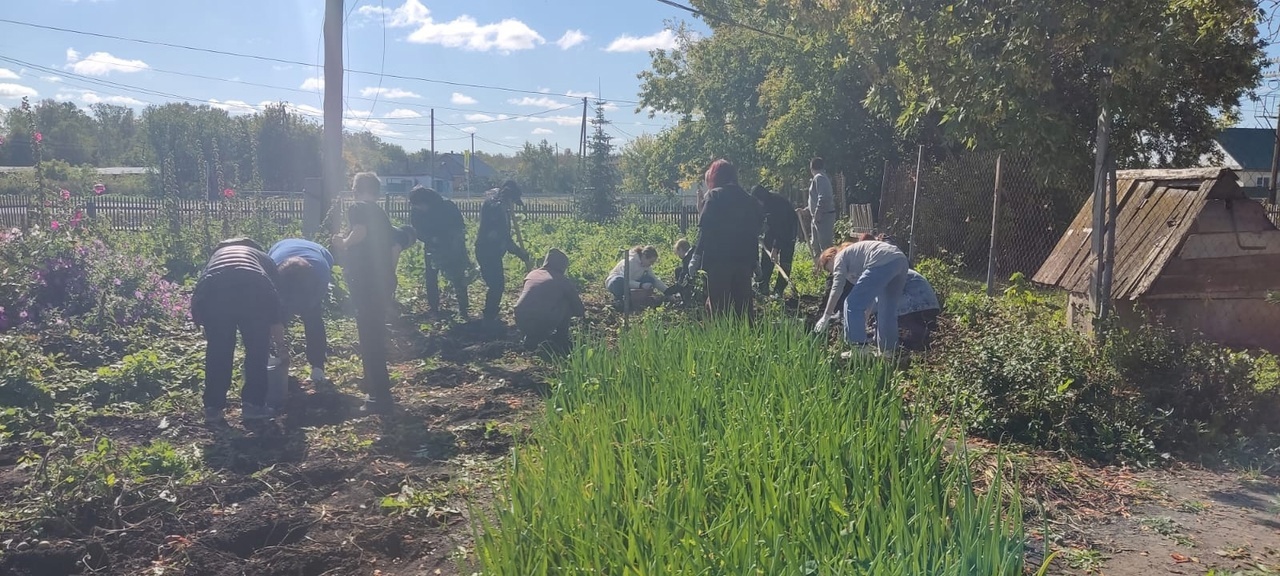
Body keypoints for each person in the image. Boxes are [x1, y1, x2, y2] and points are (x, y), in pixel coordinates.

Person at [191, 237, 289, 425]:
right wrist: (281, 345)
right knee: (257, 349)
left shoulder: (216, 257)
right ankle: (253, 405)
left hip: (214, 290)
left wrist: (210, 329)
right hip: (254, 287)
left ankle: (213, 407)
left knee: (218, 351)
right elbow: (276, 303)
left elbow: (202, 290)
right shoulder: (263, 257)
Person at [332, 172, 395, 414]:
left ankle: (379, 397)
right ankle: (374, 388)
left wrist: (343, 243)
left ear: (355, 189)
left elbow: (360, 232)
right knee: (375, 334)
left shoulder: (357, 207)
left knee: (369, 337)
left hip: (365, 282)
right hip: (382, 280)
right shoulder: (382, 214)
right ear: (377, 191)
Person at [688, 159, 764, 319]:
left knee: (719, 308)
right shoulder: (748, 200)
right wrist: (755, 261)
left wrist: (696, 256)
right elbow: (753, 234)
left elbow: (706, 230)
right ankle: (747, 339)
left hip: (718, 261)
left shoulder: (714, 196)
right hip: (743, 261)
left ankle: (720, 339)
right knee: (743, 307)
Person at [814, 237, 909, 356]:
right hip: (900, 260)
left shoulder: (839, 257)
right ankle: (888, 351)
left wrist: (826, 316)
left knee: (851, 303)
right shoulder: (855, 261)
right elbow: (868, 300)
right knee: (886, 308)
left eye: (829, 269)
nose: (832, 273)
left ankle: (859, 348)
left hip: (881, 261)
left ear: (830, 258)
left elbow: (837, 288)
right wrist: (861, 321)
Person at [267, 238, 333, 385]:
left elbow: (311, 302)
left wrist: (304, 305)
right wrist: (279, 341)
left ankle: (318, 367)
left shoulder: (320, 274)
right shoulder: (273, 272)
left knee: (313, 318)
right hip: (280, 247)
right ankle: (273, 358)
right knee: (276, 314)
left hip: (320, 252)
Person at [475, 180, 532, 327]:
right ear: (509, 198)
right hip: (488, 251)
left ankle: (491, 314)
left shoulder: (497, 206)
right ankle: (489, 317)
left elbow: (504, 238)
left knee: (496, 285)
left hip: (489, 251)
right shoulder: (496, 209)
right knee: (497, 285)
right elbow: (505, 239)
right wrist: (520, 253)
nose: (512, 206)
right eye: (512, 201)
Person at [409, 185, 471, 319]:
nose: (419, 208)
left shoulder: (447, 206)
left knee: (457, 275)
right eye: (416, 206)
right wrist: (429, 238)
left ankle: (463, 308)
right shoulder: (416, 211)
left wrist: (451, 240)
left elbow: (459, 226)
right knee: (431, 276)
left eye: (420, 205)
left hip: (452, 246)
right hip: (431, 246)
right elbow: (417, 229)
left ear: (427, 201)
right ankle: (434, 307)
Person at [513, 249, 585, 356]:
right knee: (567, 303)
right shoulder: (562, 280)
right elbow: (579, 310)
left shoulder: (532, 274)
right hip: (543, 320)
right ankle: (561, 338)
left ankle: (531, 337)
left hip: (520, 318)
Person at [752, 184, 798, 296]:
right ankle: (763, 286)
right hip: (772, 232)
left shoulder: (777, 204)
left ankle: (779, 290)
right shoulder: (762, 205)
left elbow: (782, 228)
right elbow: (760, 220)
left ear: (760, 198)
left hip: (788, 232)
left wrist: (775, 248)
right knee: (766, 259)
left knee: (785, 263)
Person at [606, 245, 668, 310]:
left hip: (632, 283)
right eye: (651, 262)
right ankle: (619, 300)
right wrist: (641, 285)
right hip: (616, 283)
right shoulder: (630, 262)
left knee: (650, 279)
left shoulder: (646, 265)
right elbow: (626, 281)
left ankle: (640, 298)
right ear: (644, 256)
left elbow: (655, 280)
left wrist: (668, 292)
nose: (651, 264)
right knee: (618, 281)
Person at [807, 157, 836, 257]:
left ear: (811, 168)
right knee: (815, 244)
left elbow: (824, 198)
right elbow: (816, 199)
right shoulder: (819, 178)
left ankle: (832, 269)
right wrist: (807, 209)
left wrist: (818, 214)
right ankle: (819, 268)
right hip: (818, 217)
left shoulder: (819, 177)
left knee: (826, 246)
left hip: (824, 217)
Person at [387, 224, 417, 319]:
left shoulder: (393, 231)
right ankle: (388, 312)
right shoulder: (404, 237)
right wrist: (391, 272)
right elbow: (395, 249)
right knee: (390, 282)